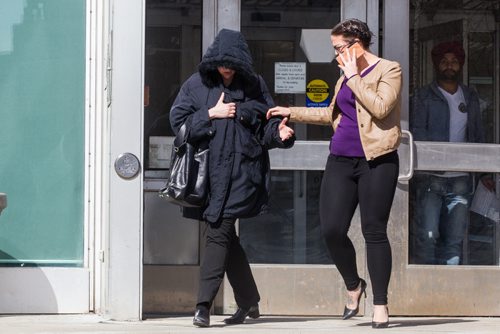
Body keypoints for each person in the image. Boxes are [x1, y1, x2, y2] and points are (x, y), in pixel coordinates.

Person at [267, 18, 402, 328]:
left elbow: (380, 108)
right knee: (331, 230)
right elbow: (332, 113)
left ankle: (380, 304)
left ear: (357, 44)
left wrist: (353, 75)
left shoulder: (389, 70)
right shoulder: (344, 77)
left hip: (377, 161)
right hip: (341, 160)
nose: (336, 54)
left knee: (374, 231)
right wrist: (293, 111)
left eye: (339, 47)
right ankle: (354, 285)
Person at [169, 28, 295, 328]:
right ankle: (249, 300)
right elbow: (178, 122)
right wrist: (211, 114)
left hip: (242, 173)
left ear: (240, 62)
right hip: (209, 174)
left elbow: (268, 124)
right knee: (227, 238)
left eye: (231, 63)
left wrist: (280, 135)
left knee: (217, 231)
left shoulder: (254, 84)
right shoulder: (197, 83)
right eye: (221, 62)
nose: (225, 68)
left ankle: (202, 306)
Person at [410, 41, 485, 265]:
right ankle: (427, 288)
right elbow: (417, 135)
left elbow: (478, 134)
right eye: (444, 61)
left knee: (454, 240)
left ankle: (448, 291)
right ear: (436, 65)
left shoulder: (470, 96)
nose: (449, 65)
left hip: (461, 179)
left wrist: (483, 174)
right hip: (431, 179)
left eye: (454, 61)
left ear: (460, 65)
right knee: (428, 236)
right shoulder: (423, 96)